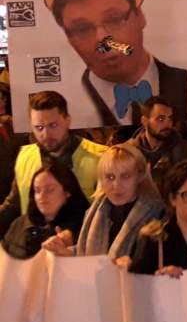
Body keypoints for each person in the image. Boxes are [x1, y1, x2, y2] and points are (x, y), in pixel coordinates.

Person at [43, 0, 187, 126]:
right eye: (82, 29)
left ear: (140, 15)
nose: (102, 38)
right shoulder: (63, 109)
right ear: (68, 38)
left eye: (114, 19)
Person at [0, 91, 108, 236]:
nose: (46, 134)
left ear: (68, 121)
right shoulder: (25, 156)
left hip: (82, 244)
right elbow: (13, 206)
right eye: (39, 127)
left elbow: (109, 215)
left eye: (53, 125)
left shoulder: (100, 157)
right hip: (33, 243)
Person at [44, 144, 164, 259]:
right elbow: (85, 253)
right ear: (101, 179)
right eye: (110, 177)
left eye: (125, 176)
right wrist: (66, 253)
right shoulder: (95, 209)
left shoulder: (158, 214)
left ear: (139, 176)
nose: (116, 185)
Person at [2, 163, 89, 259]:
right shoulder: (20, 224)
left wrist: (69, 255)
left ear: (67, 192)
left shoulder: (84, 229)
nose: (41, 196)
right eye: (37, 190)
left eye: (50, 190)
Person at [128, 96, 187, 196]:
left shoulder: (183, 151)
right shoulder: (130, 151)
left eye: (170, 118)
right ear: (145, 121)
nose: (168, 124)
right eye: (161, 119)